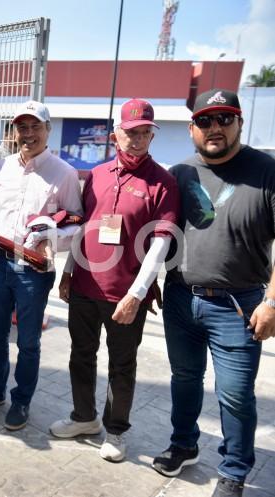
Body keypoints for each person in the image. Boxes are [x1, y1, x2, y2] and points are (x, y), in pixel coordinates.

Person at [151, 89, 275, 497]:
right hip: (181, 299)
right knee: (185, 378)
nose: (214, 127)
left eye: (224, 118)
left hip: (240, 306)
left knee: (235, 394)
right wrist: (151, 281)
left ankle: (234, 471)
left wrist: (272, 302)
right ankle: (183, 444)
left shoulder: (266, 170)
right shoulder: (179, 173)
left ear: (239, 122)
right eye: (205, 120)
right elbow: (164, 236)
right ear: (192, 129)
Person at [49, 99, 179, 462]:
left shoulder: (163, 182)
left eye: (144, 133)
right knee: (80, 355)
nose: (137, 140)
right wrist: (69, 271)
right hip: (85, 288)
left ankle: (116, 431)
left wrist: (136, 294)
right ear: (115, 136)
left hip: (126, 295)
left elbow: (161, 243)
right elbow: (82, 227)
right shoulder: (97, 175)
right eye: (130, 133)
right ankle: (83, 417)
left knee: (121, 365)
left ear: (152, 136)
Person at [0, 100, 83, 431]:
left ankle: (21, 400)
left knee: (28, 341)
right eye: (22, 128)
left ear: (48, 130)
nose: (28, 134)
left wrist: (51, 240)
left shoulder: (64, 174)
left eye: (35, 127)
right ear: (14, 132)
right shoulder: (3, 169)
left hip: (34, 270)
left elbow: (75, 222)